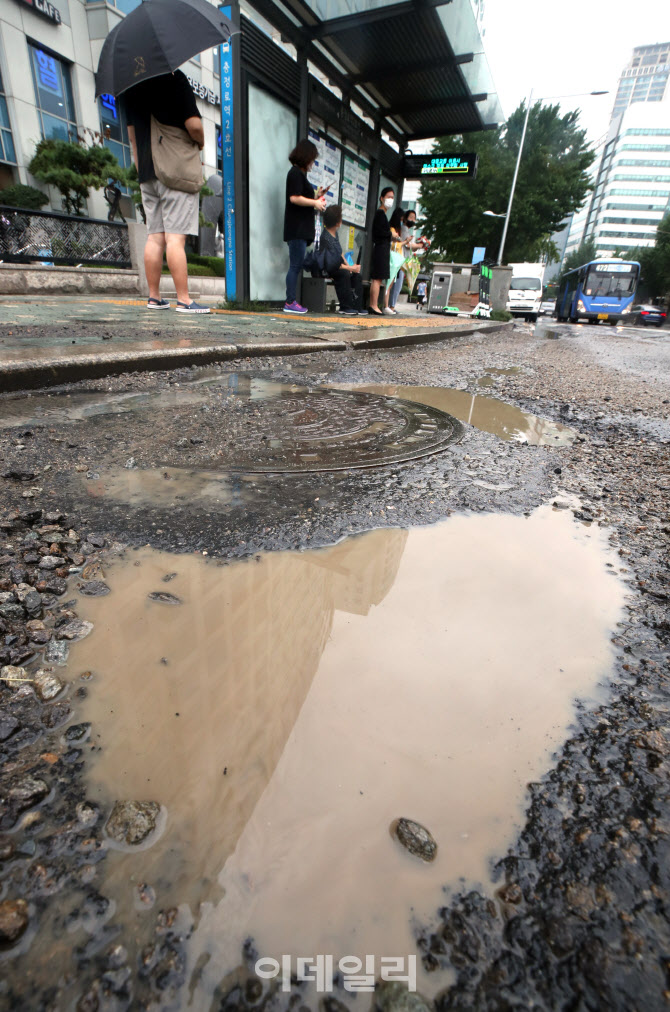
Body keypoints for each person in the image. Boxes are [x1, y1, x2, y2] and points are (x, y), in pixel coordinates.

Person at [123, 70, 210, 314]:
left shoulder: (131, 87)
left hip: (147, 172)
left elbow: (132, 138)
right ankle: (184, 299)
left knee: (155, 236)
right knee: (175, 238)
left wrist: (142, 172)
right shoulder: (174, 79)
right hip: (174, 169)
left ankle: (154, 297)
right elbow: (193, 125)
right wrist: (201, 142)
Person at [283, 138, 326, 314]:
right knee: (295, 266)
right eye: (312, 159)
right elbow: (294, 198)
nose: (312, 163)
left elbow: (300, 196)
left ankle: (291, 301)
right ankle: (290, 301)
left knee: (296, 265)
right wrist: (315, 203)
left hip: (299, 229)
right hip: (297, 229)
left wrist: (316, 196)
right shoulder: (295, 173)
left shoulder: (298, 174)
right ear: (306, 156)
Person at [319, 204, 365, 316]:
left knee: (357, 276)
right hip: (327, 268)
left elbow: (340, 254)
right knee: (344, 274)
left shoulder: (335, 235)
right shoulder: (325, 238)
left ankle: (357, 306)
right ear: (337, 222)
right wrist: (349, 268)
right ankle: (345, 306)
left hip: (336, 266)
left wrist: (351, 266)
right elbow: (332, 264)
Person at [388, 209, 424, 311]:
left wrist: (417, 246)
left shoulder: (405, 229)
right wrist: (419, 245)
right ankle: (391, 306)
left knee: (396, 284)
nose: (412, 220)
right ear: (404, 218)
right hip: (399, 259)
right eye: (410, 217)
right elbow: (406, 244)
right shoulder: (403, 229)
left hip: (400, 259)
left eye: (414, 218)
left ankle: (391, 306)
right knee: (396, 284)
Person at [369, 187, 394, 316]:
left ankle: (374, 305)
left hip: (382, 249)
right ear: (381, 198)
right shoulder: (380, 214)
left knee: (378, 278)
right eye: (388, 197)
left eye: (392, 198)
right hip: (380, 248)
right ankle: (373, 305)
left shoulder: (382, 214)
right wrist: (390, 234)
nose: (390, 200)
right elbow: (379, 233)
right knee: (377, 279)